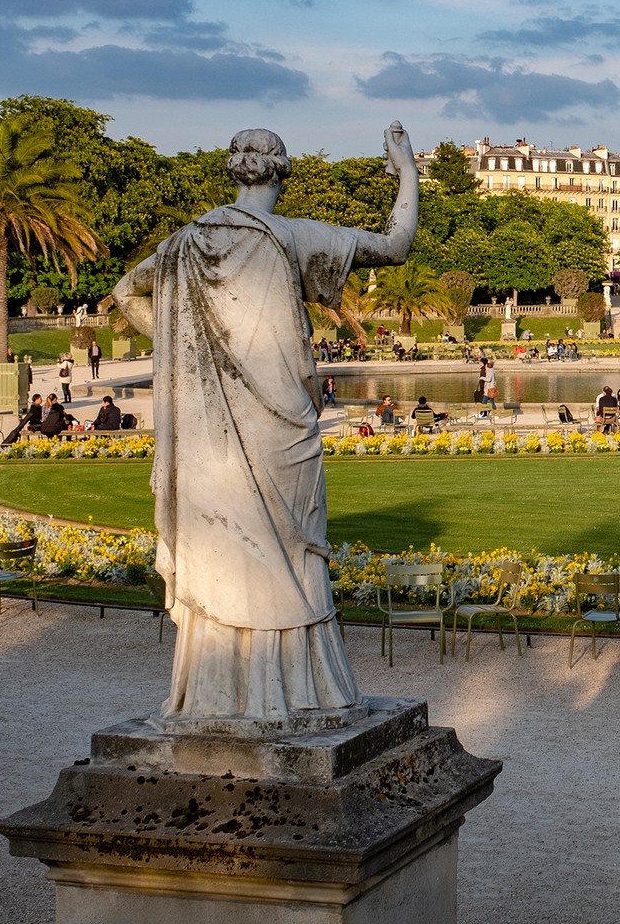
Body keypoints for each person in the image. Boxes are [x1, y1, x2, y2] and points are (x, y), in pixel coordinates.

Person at [110, 121, 418, 725]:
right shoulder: (294, 236)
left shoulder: (185, 242)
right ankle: (303, 688)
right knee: (295, 551)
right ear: (281, 168)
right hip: (282, 427)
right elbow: (396, 244)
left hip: (213, 430)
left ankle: (215, 692)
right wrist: (406, 170)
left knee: (225, 540)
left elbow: (126, 292)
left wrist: (187, 351)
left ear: (235, 167)